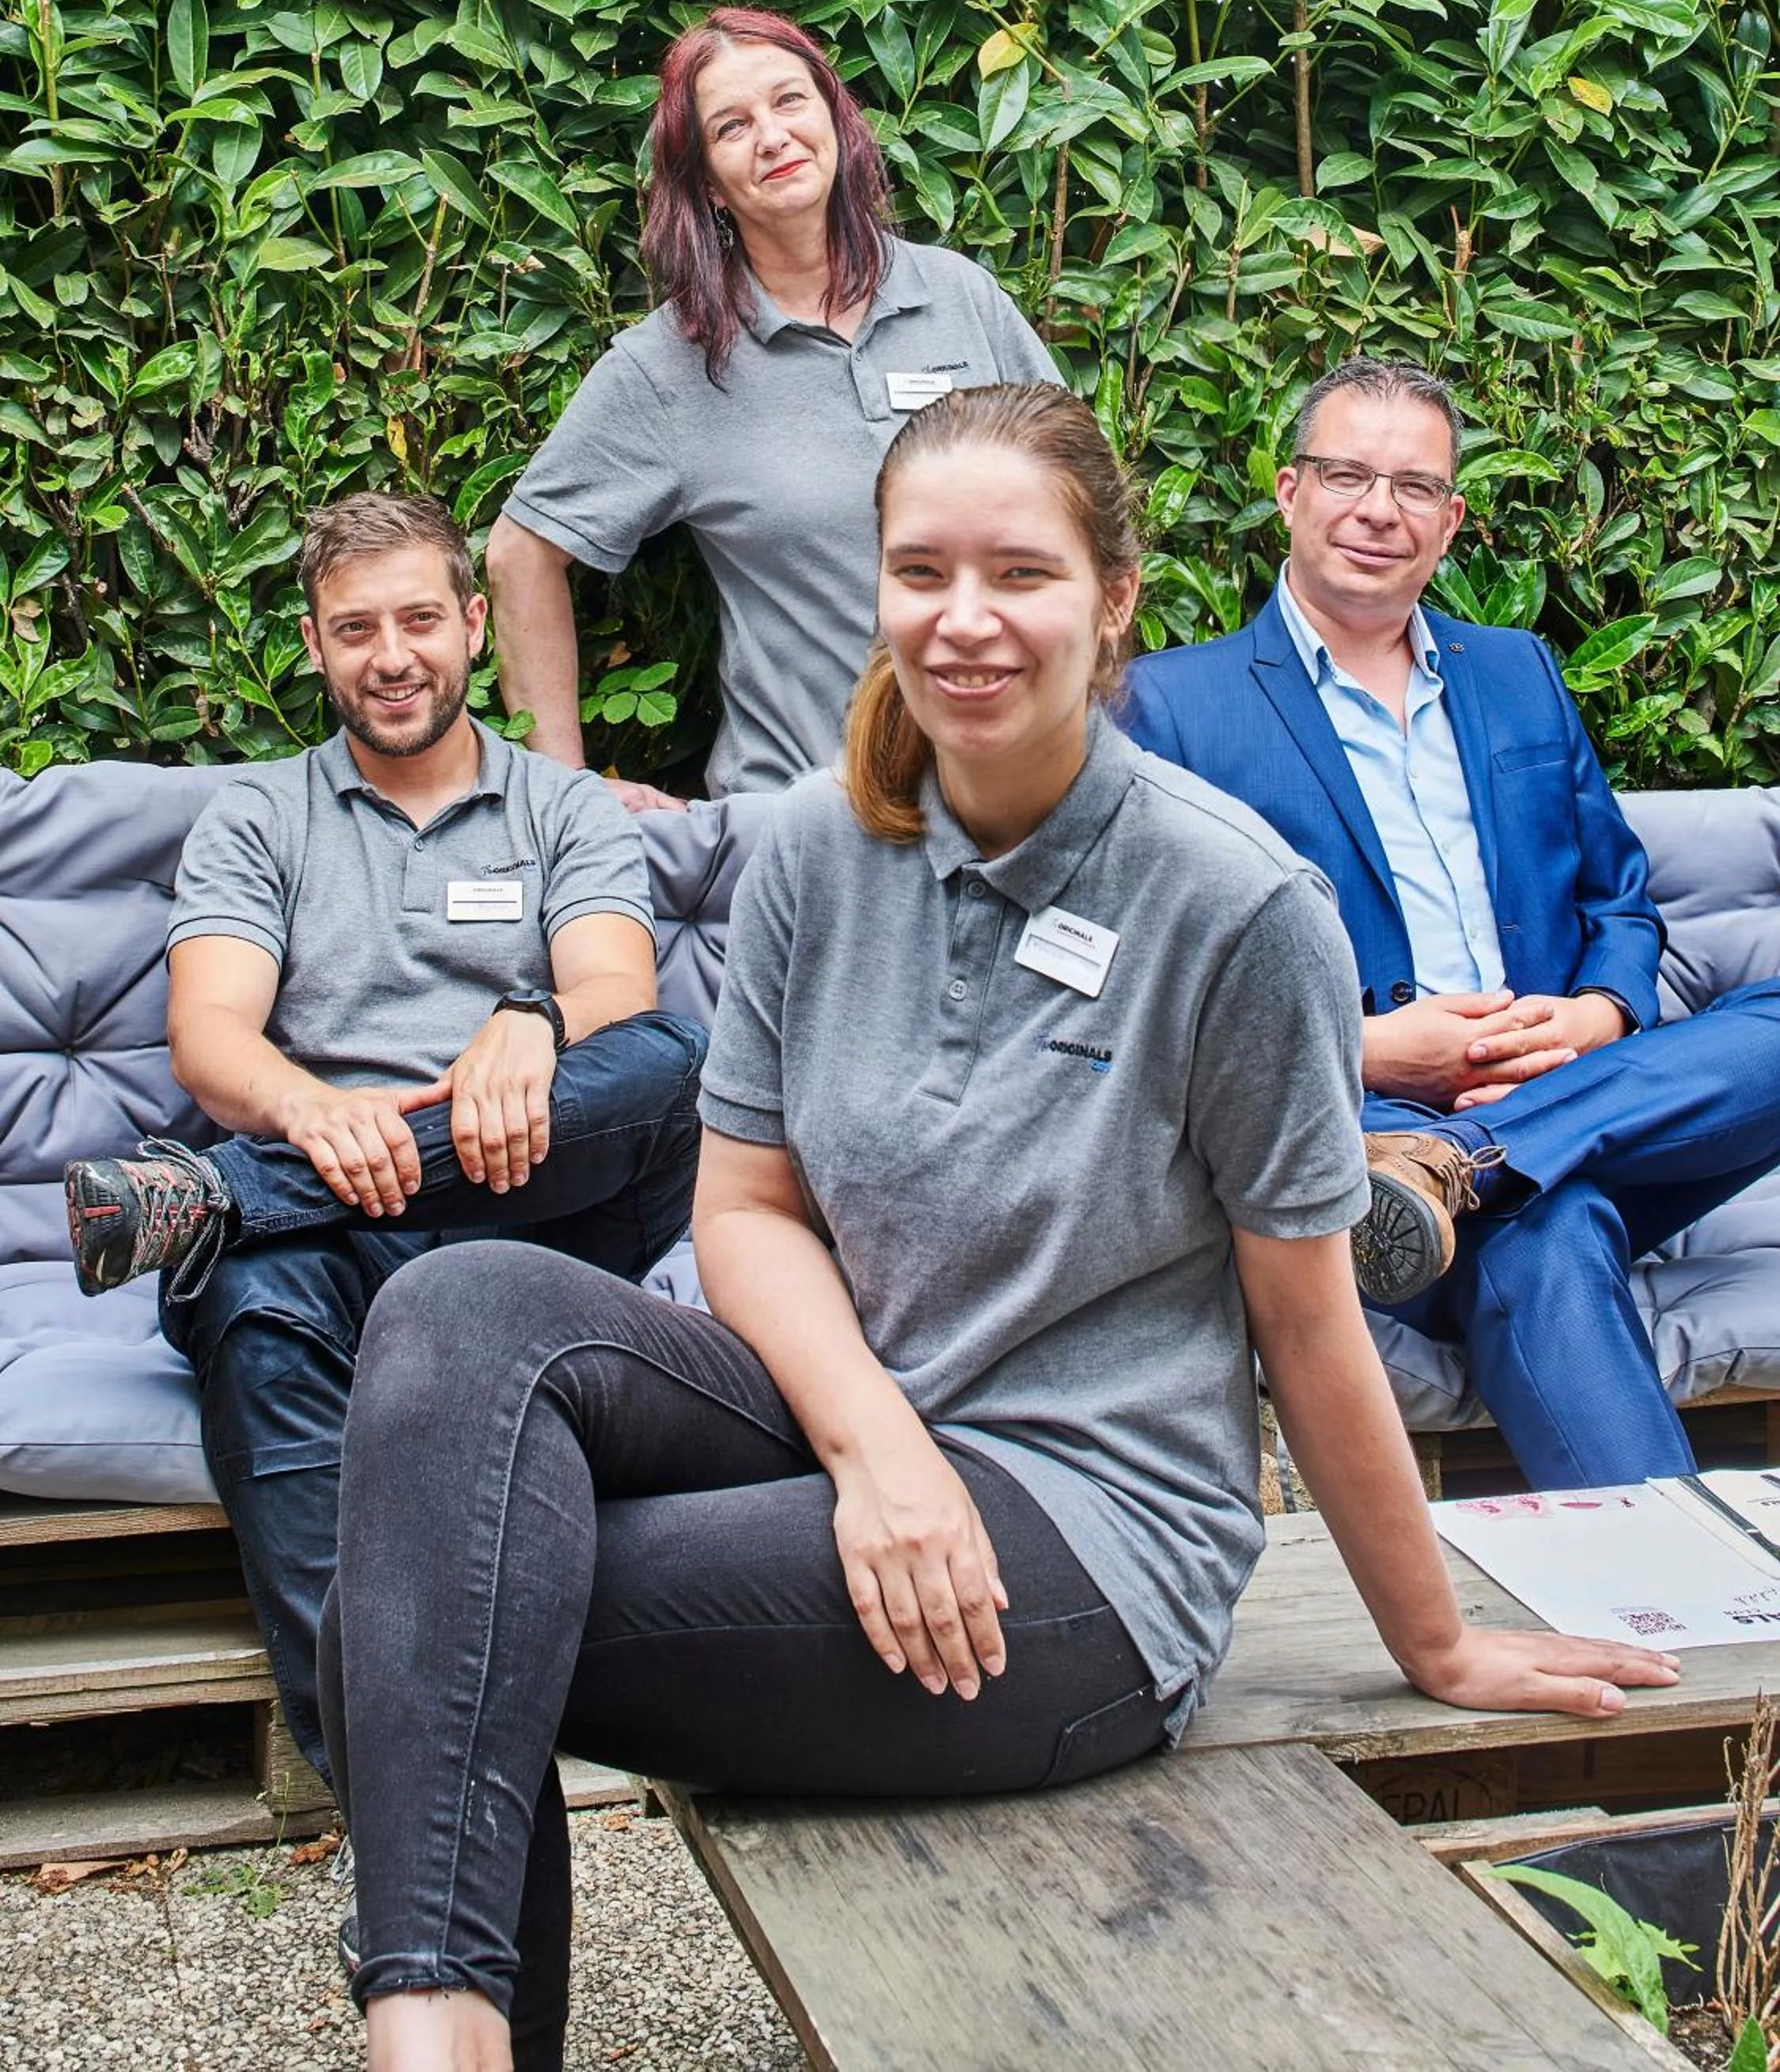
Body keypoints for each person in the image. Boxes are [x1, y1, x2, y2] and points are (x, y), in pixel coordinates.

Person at [315, 384, 1676, 2072]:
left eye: (1017, 573)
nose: (962, 621)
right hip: (854, 1430)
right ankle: (438, 2037)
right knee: (458, 1309)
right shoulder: (816, 849)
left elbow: (1310, 1319)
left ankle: (439, 2047)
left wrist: (1439, 1641)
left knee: (442, 1604)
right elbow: (747, 1208)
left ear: (1111, 599)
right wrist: (878, 1448)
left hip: (1082, 1543)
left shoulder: (1234, 903)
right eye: (919, 570)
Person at [61, 493, 706, 1782]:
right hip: (336, 1231)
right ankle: (390, 1790)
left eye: (420, 618)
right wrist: (311, 1111)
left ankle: (224, 1193)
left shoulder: (562, 809)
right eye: (356, 629)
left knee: (666, 1063)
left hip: (547, 1209)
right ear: (313, 645)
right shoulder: (259, 821)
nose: (392, 654)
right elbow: (216, 1039)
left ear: (473, 625)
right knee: (242, 1306)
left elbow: (618, 1000)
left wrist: (532, 1023)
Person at [1119, 354, 1780, 1491]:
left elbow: (1616, 899)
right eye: (1346, 475)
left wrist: (1596, 1014)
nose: (1379, 510)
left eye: (1414, 486)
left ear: (1451, 517)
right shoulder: (1171, 705)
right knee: (1546, 1232)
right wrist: (1364, 1048)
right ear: (1288, 492)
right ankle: (1678, 1594)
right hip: (1360, 1143)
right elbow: (1149, 981)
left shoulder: (1519, 672)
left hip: (1565, 1103)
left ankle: (1469, 1162)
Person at [486, 6, 1061, 809]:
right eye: (732, 126)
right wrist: (565, 797)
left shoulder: (961, 298)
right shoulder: (671, 366)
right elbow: (521, 554)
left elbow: (1082, 511)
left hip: (1017, 802)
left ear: (836, 118)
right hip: (813, 829)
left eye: (791, 100)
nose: (773, 136)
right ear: (708, 185)